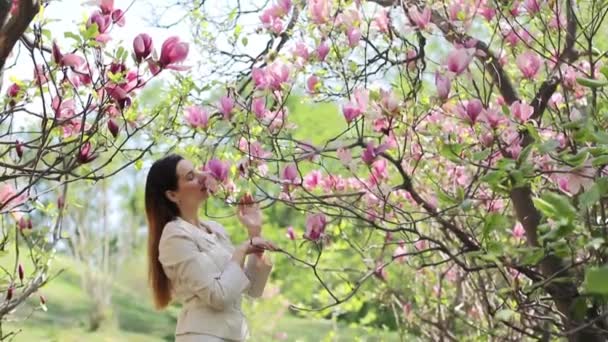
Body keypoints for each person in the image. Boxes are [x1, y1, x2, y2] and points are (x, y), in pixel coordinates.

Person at [145, 154, 277, 341]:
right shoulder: (175, 235)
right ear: (172, 195)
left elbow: (252, 290)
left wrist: (254, 232)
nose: (204, 175)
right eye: (190, 177)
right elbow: (218, 297)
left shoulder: (216, 229)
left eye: (198, 170)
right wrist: (240, 251)